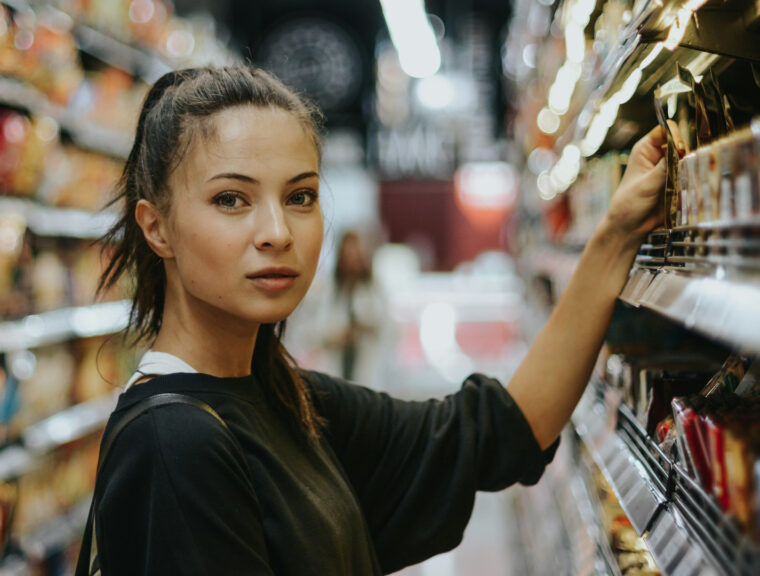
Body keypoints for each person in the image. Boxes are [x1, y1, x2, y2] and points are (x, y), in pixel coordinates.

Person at [85, 66, 667, 575]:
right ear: (156, 226)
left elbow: (499, 431)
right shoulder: (173, 444)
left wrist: (616, 235)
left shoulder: (286, 398)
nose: (278, 232)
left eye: (301, 197)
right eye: (231, 200)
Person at [289, 230, 390, 384]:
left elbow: (386, 329)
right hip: (333, 368)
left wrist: (362, 330)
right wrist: (335, 335)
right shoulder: (327, 291)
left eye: (356, 255)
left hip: (366, 369)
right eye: (348, 255)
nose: (352, 261)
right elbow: (306, 333)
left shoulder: (374, 290)